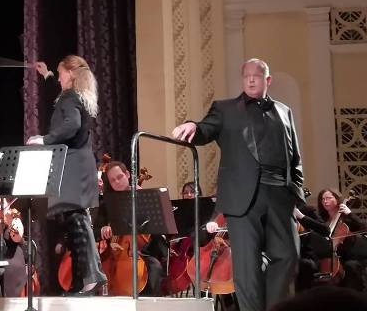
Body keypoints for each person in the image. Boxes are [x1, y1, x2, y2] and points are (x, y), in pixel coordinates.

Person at [172, 58, 304, 311]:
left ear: (268, 80)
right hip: (242, 197)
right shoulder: (225, 109)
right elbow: (205, 129)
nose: (251, 79)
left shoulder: (284, 111)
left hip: (279, 194)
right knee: (246, 266)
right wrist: (193, 126)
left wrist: (295, 192)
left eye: (257, 75)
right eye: (247, 76)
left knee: (288, 256)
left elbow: (295, 157)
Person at [27, 55, 107, 295]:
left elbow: (71, 125)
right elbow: (66, 101)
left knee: (77, 218)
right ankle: (84, 280)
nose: (59, 77)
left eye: (61, 73)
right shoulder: (76, 95)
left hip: (73, 164)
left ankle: (93, 276)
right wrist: (47, 75)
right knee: (75, 218)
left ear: (71, 74)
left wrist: (45, 140)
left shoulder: (70, 97)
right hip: (79, 163)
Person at [94, 160, 165, 296]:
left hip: (140, 253)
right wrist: (103, 230)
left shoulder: (144, 198)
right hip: (112, 254)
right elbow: (94, 231)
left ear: (127, 174)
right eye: (113, 180)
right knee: (96, 269)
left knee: (154, 267)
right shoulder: (107, 203)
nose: (117, 182)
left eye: (120, 177)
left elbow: (156, 232)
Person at [315, 188, 367, 291]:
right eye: (323, 199)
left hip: (349, 257)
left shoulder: (346, 218)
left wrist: (350, 214)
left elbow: (364, 228)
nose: (325, 201)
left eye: (329, 198)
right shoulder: (322, 220)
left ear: (337, 199)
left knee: (350, 266)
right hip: (330, 257)